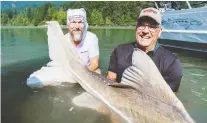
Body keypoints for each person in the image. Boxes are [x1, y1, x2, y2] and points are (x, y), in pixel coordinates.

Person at [106, 7, 182, 92]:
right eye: (142, 25)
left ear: (160, 31)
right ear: (136, 28)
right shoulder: (119, 51)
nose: (145, 31)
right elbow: (110, 79)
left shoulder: (171, 63)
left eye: (152, 26)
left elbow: (169, 99)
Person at [27, 8, 100, 88]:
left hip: (88, 71)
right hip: (69, 72)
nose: (77, 26)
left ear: (85, 25)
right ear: (68, 25)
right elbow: (59, 62)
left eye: (80, 22)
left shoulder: (91, 38)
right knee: (33, 82)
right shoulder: (63, 40)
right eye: (73, 22)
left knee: (99, 77)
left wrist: (81, 77)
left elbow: (95, 64)